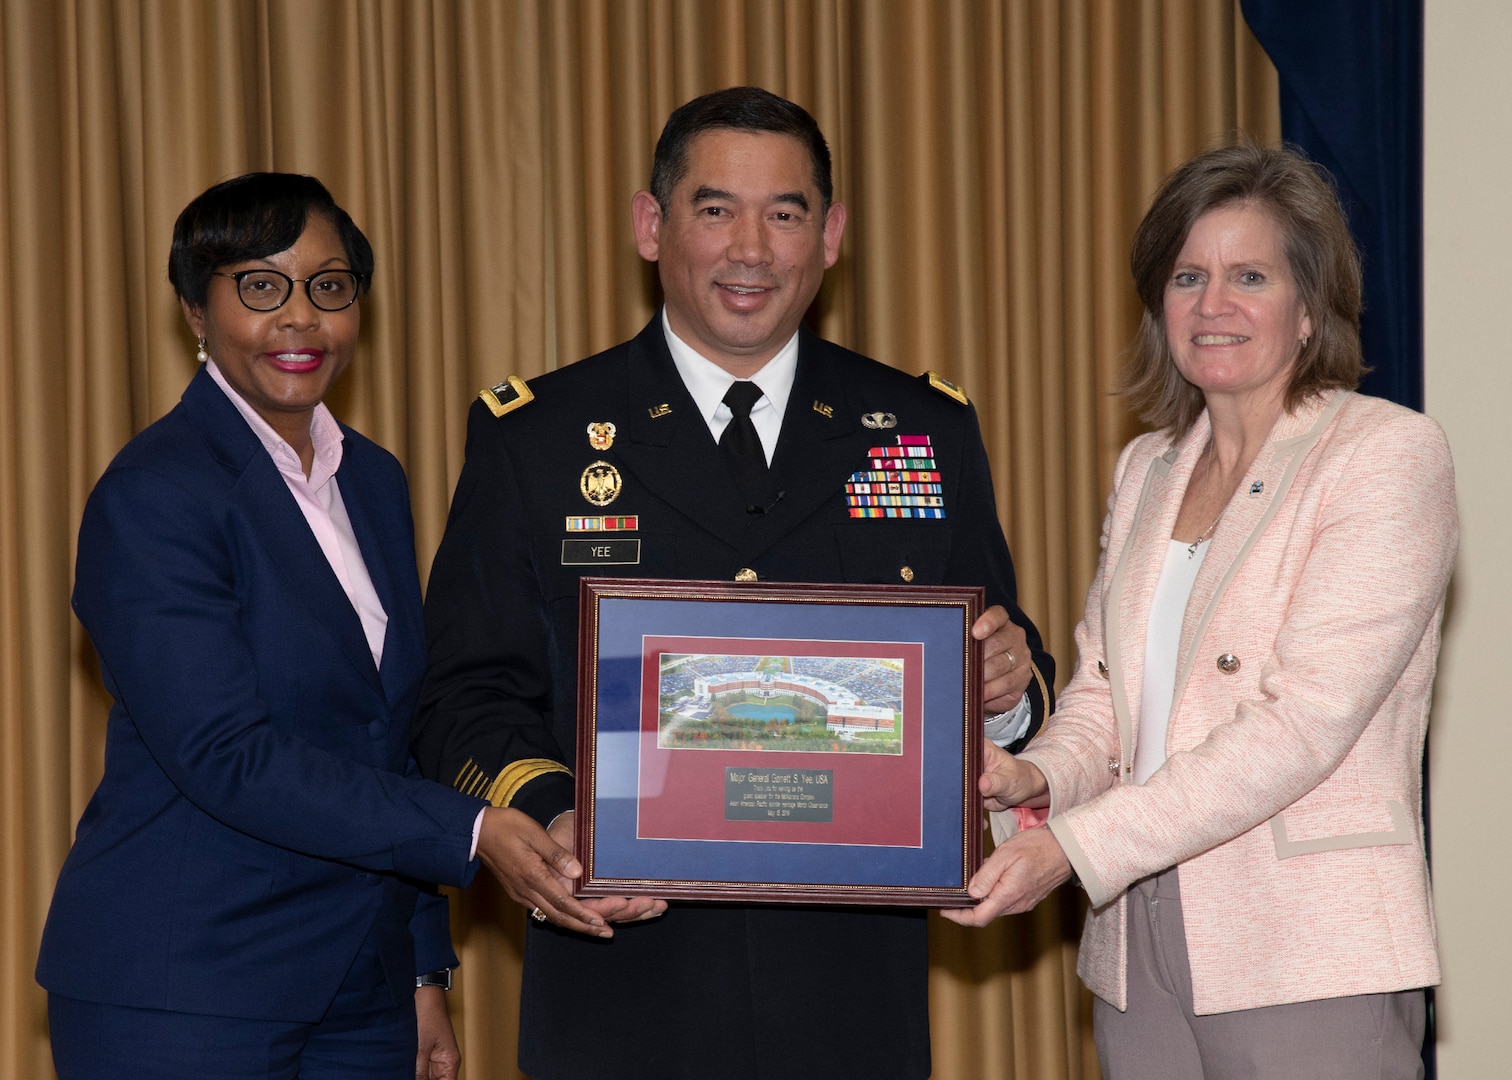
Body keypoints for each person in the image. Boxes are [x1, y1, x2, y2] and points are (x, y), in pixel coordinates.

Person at [414, 86, 1053, 1080]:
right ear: (649, 225)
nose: (751, 250)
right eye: (715, 210)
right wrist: (548, 816)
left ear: (832, 235)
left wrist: (1006, 693)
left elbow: (1014, 665)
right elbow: (465, 692)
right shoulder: (535, 438)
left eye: (785, 213)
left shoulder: (923, 429)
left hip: (852, 1009)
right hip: (622, 995)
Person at [944, 141, 1456, 1080]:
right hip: (1136, 952)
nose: (1212, 304)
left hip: (1306, 947)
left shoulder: (1386, 455)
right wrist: (1035, 781)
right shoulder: (1147, 469)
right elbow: (1103, 694)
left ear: (1308, 308)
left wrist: (1072, 846)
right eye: (1188, 276)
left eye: (1248, 275)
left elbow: (1300, 725)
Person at [36, 173, 522, 1079]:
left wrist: (421, 968)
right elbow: (227, 752)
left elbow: (392, 736)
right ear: (195, 308)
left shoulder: (373, 479)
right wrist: (473, 830)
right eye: (261, 287)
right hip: (185, 987)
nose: (301, 319)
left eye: (329, 287)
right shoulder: (155, 494)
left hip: (362, 992)